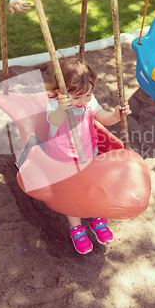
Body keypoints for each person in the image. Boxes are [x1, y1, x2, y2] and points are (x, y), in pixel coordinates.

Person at [46, 57, 131, 255]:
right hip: (63, 158)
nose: (83, 102)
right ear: (60, 92)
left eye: (87, 96)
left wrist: (117, 114)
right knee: (72, 194)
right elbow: (54, 121)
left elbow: (104, 119)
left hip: (87, 152)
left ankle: (95, 217)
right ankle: (76, 228)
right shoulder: (54, 105)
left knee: (92, 187)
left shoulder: (87, 99)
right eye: (77, 98)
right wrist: (61, 108)